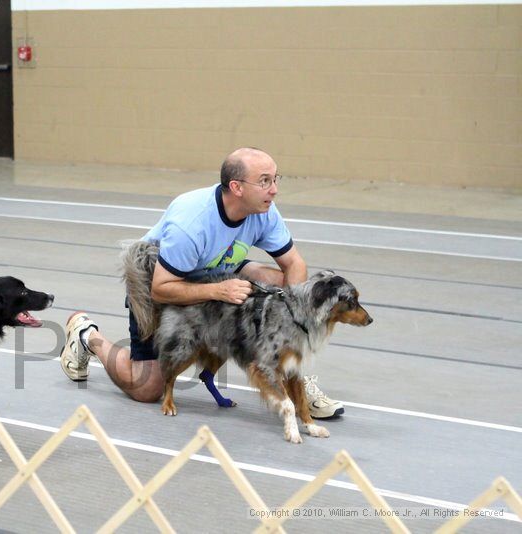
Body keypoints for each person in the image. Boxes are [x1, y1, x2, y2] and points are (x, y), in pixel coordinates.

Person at [59, 147, 344, 419]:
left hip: (218, 267)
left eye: (275, 178)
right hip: (162, 278)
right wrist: (219, 291)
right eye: (265, 181)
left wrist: (291, 330)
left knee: (285, 284)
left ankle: (293, 375)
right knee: (147, 388)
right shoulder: (192, 223)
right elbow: (161, 287)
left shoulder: (265, 210)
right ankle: (88, 336)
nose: (274, 189)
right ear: (237, 187)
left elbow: (295, 264)